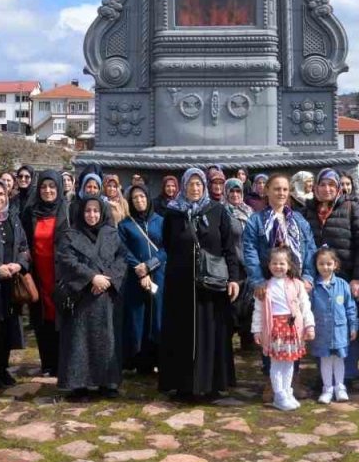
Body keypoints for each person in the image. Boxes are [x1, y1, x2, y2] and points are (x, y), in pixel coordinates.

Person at [158, 168, 242, 399]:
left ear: (204, 187)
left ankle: (211, 384)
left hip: (211, 284)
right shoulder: (173, 214)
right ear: (184, 186)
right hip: (181, 283)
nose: (194, 189)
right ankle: (184, 384)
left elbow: (229, 247)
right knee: (182, 333)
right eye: (190, 184)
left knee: (210, 331)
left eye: (198, 184)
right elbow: (167, 243)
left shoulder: (217, 211)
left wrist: (233, 278)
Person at [56, 196, 127, 399]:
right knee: (80, 342)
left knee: (108, 340)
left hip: (106, 297)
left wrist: (108, 280)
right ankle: (79, 384)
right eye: (88, 211)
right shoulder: (70, 235)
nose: (92, 215)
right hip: (81, 296)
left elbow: (122, 259)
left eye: (96, 211)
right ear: (81, 212)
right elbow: (66, 260)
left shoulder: (112, 234)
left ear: (102, 212)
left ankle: (108, 382)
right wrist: (91, 278)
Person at [305, 168, 359, 383]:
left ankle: (346, 375)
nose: (327, 189)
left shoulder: (352, 208)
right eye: (322, 185)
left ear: (339, 187)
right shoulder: (308, 210)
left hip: (345, 278)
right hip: (318, 279)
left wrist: (358, 277)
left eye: (331, 185)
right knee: (321, 323)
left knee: (345, 325)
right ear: (315, 188)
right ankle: (325, 375)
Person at [0, 178, 30, 391]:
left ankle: (2, 369)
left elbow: (24, 247)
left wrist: (19, 265)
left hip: (11, 283)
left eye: (1, 194)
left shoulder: (13, 219)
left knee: (8, 326)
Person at [251, 247, 314, 411]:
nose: (278, 266)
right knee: (277, 364)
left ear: (289, 265)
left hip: (293, 329)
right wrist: (257, 330)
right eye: (274, 263)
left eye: (282, 263)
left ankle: (287, 391)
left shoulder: (297, 285)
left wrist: (309, 325)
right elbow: (258, 311)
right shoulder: (264, 287)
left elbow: (305, 307)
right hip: (275, 330)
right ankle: (279, 395)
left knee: (290, 363)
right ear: (269, 265)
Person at [21, 171, 67, 377]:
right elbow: (23, 242)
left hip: (61, 274)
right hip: (38, 274)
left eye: (52, 187)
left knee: (62, 317)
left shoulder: (67, 211)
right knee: (42, 318)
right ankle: (48, 362)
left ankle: (63, 361)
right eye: (43, 187)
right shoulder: (30, 212)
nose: (48, 191)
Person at [118, 184, 165, 373]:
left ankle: (158, 358)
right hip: (135, 276)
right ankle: (138, 360)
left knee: (157, 317)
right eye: (135, 198)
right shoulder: (125, 224)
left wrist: (150, 265)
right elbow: (122, 249)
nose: (139, 201)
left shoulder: (160, 221)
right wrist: (140, 269)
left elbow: (166, 248)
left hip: (159, 275)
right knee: (138, 319)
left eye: (142, 197)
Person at [244, 174, 317, 295]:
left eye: (285, 189)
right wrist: (258, 280)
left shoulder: (298, 219)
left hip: (298, 285)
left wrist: (308, 277)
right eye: (277, 189)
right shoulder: (256, 220)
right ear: (267, 190)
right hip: (268, 286)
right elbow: (250, 251)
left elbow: (310, 248)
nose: (281, 193)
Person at [310, 247, 357, 403]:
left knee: (339, 359)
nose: (325, 267)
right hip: (321, 331)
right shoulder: (313, 287)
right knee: (325, 360)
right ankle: (327, 388)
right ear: (316, 265)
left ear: (335, 264)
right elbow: (308, 309)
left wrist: (353, 326)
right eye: (321, 264)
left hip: (339, 331)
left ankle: (340, 386)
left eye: (329, 263)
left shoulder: (343, 285)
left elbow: (350, 307)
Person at [223, 178, 256, 351]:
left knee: (249, 305)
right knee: (232, 305)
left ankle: (247, 343)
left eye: (238, 191)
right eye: (232, 191)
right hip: (232, 267)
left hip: (250, 266)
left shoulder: (250, 212)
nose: (235, 195)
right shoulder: (223, 212)